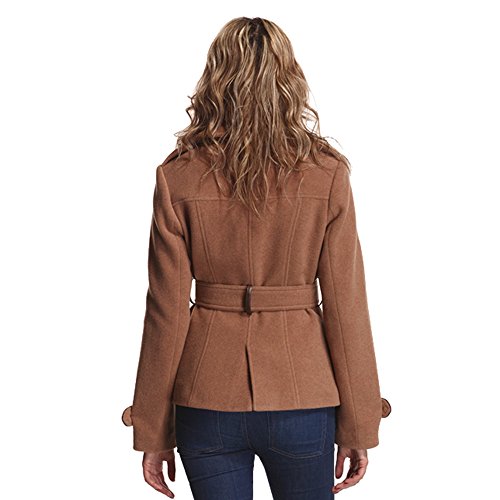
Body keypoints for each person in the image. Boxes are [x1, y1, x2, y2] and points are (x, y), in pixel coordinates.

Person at [121, 16, 391, 500]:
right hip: (303, 395)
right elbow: (346, 305)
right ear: (289, 80)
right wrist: (359, 421)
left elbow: (165, 312)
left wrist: (153, 429)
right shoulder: (327, 174)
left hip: (207, 396)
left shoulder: (178, 176)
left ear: (214, 79)